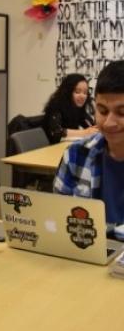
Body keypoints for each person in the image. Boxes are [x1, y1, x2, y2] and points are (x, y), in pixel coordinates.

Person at [54, 61, 124, 224]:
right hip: (90, 247)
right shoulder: (76, 155)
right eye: (102, 111)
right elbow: (59, 218)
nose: (108, 123)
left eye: (122, 112)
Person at [42, 73, 98, 144]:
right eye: (77, 92)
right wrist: (85, 132)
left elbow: (90, 126)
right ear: (67, 92)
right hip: (51, 149)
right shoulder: (55, 106)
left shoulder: (78, 108)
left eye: (85, 93)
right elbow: (56, 132)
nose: (82, 96)